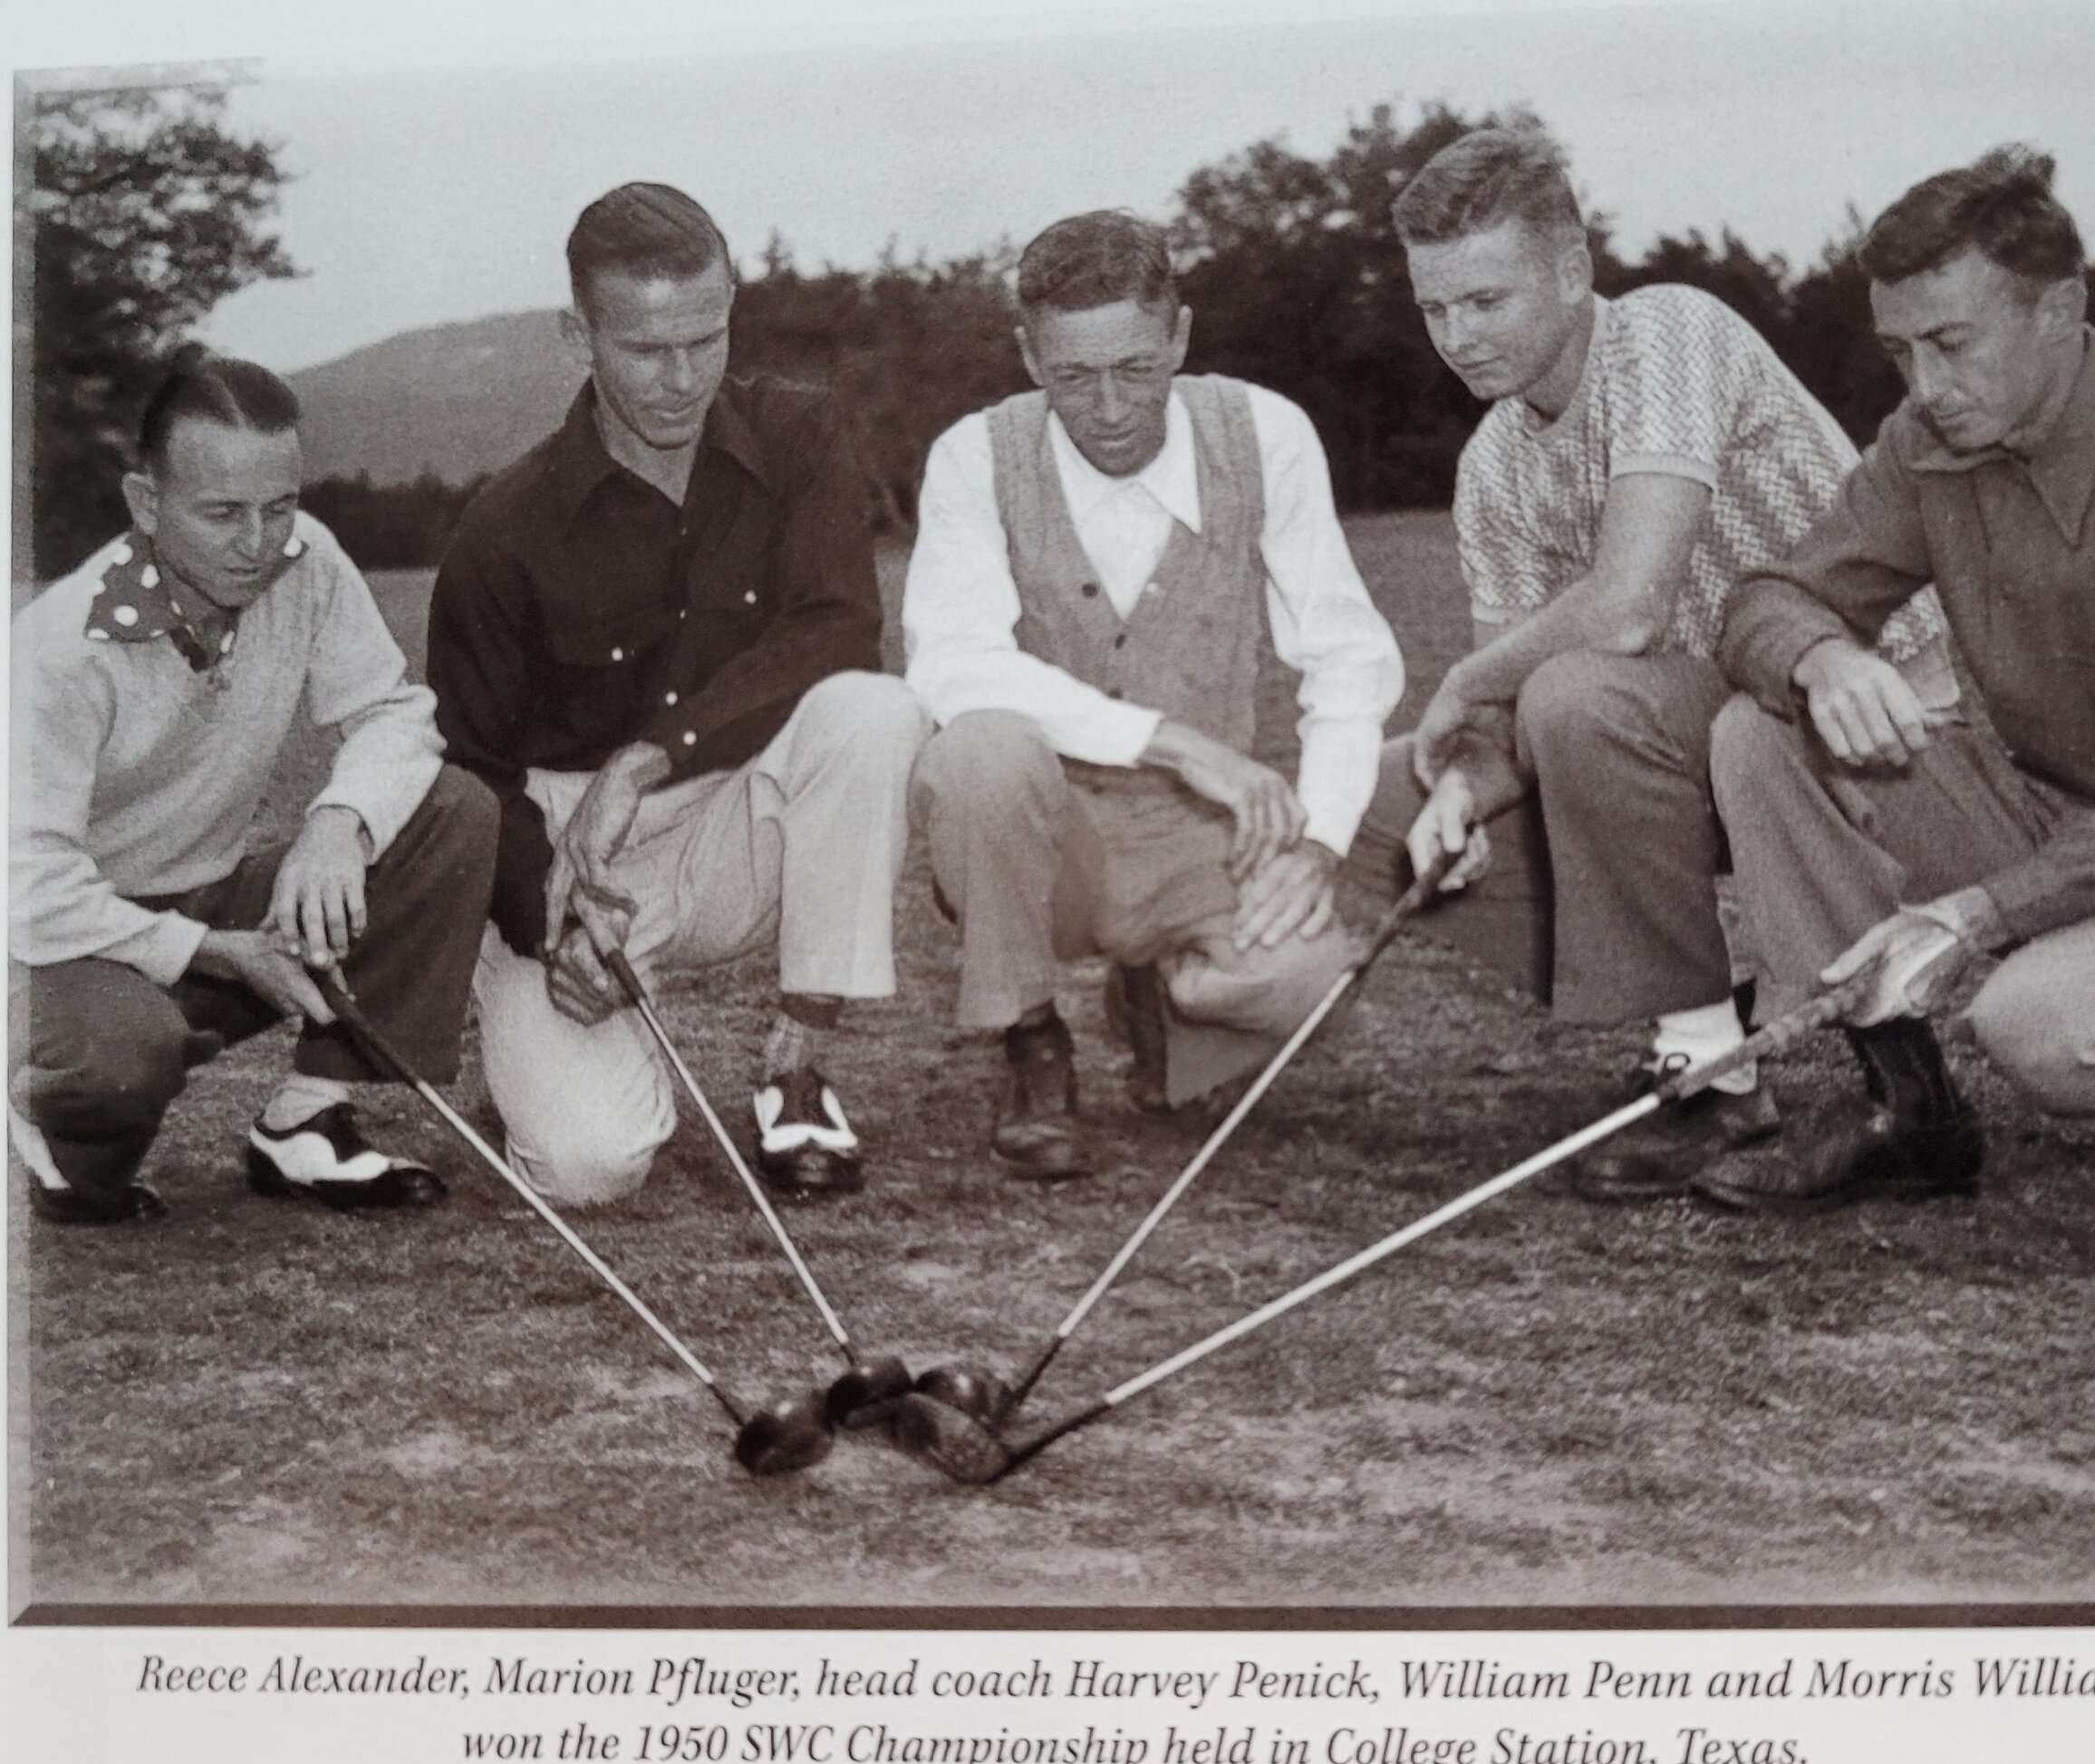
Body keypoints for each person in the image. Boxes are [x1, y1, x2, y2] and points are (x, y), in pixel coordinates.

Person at [1353, 117, 1951, 1200]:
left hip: (1894, 712)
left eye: (1487, 300)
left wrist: (1461, 683)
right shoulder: (1491, 465)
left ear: (1573, 269)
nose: (1459, 336)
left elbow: (1628, 609)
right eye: (1434, 307)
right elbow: (1527, 723)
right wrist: (1460, 787)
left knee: (1592, 686)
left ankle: (1892, 1078)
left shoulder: (1667, 332)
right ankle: (1711, 1074)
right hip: (1721, 728)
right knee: (1415, 777)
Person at [1689, 147, 2095, 1231]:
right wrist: (1823, 655)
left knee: (2038, 1027)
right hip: (2054, 813)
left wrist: (1983, 913)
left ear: (2060, 310)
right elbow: (1766, 597)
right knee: (1758, 735)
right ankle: (1906, 1115)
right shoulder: (1925, 445)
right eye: (1900, 352)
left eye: (1951, 343)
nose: (1924, 387)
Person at [425, 184, 925, 1205]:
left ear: (730, 302)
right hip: (574, 860)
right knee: (588, 1166)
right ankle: (536, 1049)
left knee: (873, 712)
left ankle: (795, 1071)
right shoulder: (503, 528)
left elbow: (837, 628)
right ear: (581, 333)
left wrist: (646, 758)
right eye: (647, 350)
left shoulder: (798, 435)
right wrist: (547, 925)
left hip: (736, 810)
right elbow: (472, 774)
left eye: (706, 337)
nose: (683, 377)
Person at [902, 209, 1405, 1179]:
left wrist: (1318, 842)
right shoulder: (973, 453)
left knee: (1312, 983)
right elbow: (952, 659)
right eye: (1072, 376)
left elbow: (1345, 655)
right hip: (1046, 838)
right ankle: (1034, 1041)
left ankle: (1166, 995)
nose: (1110, 407)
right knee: (974, 751)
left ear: (1180, 332)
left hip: (1201, 837)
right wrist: (1171, 740)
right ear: (1027, 352)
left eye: (1137, 368)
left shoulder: (1265, 433)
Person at [9, 351, 497, 1225]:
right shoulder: (58, 653)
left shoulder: (308, 563)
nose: (259, 543)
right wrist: (210, 953)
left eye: (280, 507)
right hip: (65, 946)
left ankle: (307, 1121)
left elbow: (394, 712)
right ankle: (37, 1106)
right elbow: (25, 886)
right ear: (146, 504)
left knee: (451, 809)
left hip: (211, 909)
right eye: (223, 513)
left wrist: (337, 824)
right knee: (117, 1067)